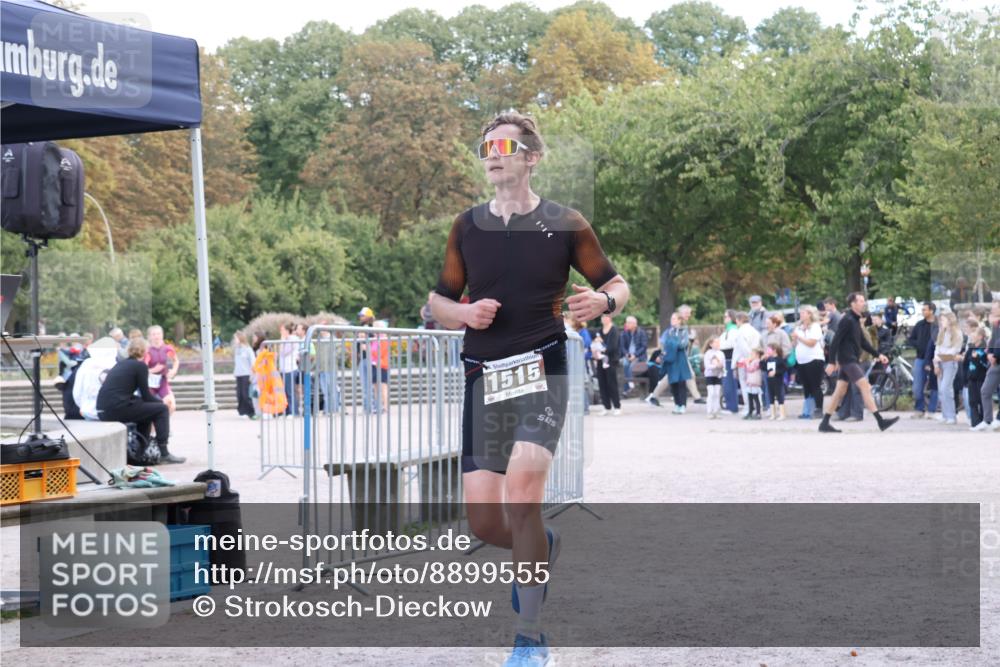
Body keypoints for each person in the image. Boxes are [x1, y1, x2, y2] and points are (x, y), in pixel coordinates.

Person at [428, 110, 628, 665]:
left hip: (542, 370)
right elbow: (437, 301)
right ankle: (542, 543)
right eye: (486, 146)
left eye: (504, 146)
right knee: (487, 522)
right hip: (482, 380)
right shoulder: (466, 226)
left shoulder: (566, 223)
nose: (492, 153)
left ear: (531, 158)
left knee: (522, 494)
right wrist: (463, 313)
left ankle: (529, 635)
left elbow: (614, 281)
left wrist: (604, 301)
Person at [819, 293, 898, 433]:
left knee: (839, 391)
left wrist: (878, 354)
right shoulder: (847, 320)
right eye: (861, 301)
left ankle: (824, 423)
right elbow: (835, 341)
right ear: (853, 304)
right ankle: (881, 421)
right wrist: (831, 362)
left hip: (850, 359)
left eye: (863, 300)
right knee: (864, 386)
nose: (863, 303)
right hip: (848, 360)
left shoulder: (855, 320)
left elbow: (863, 342)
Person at [97, 337, 184, 464]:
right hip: (117, 408)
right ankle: (164, 453)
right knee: (162, 410)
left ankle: (140, 454)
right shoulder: (140, 366)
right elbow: (146, 395)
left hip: (104, 409)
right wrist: (162, 403)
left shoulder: (121, 364)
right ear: (144, 352)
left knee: (146, 413)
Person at [792, 305, 825, 419]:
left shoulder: (815, 327)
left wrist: (799, 336)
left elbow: (811, 343)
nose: (801, 315)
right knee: (806, 386)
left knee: (815, 385)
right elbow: (794, 344)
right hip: (802, 360)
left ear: (810, 314)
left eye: (803, 313)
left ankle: (819, 409)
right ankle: (808, 410)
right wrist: (794, 338)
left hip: (814, 359)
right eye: (800, 313)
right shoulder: (799, 327)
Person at [907, 302, 939, 419]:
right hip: (920, 358)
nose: (923, 312)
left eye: (925, 309)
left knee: (935, 385)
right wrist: (919, 345)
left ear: (931, 311)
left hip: (934, 359)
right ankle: (919, 408)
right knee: (917, 386)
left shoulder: (938, 325)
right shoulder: (919, 325)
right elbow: (911, 339)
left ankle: (932, 410)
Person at [973, 300, 1000, 432]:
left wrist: (996, 355)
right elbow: (993, 341)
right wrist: (989, 353)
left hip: (997, 359)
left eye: (995, 308)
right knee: (985, 390)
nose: (993, 310)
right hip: (995, 363)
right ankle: (987, 420)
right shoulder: (996, 325)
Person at [932, 312, 963, 425]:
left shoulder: (957, 333)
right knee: (941, 389)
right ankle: (945, 415)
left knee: (946, 388)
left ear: (950, 320)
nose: (941, 322)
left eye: (943, 320)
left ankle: (951, 416)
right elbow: (937, 348)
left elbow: (955, 350)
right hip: (940, 363)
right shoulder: (942, 332)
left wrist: (941, 356)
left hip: (950, 363)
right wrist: (936, 362)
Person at [660, 312, 692, 414]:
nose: (672, 321)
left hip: (681, 358)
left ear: (679, 320)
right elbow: (664, 344)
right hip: (671, 359)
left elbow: (684, 344)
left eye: (674, 319)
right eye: (671, 319)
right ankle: (677, 404)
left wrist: (672, 344)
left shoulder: (684, 331)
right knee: (673, 382)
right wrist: (673, 345)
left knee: (681, 382)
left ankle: (683, 405)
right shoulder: (668, 332)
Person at [733, 311, 762, 417]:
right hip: (755, 359)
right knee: (755, 385)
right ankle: (758, 406)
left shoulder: (740, 331)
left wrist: (748, 358)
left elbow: (742, 347)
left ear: (739, 320)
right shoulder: (754, 331)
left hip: (744, 360)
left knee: (745, 385)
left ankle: (748, 406)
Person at [145, 325, 179, 415]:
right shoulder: (147, 351)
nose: (156, 336)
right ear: (149, 337)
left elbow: (175, 360)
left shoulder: (167, 349)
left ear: (162, 335)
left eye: (158, 334)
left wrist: (174, 370)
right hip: (149, 384)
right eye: (153, 334)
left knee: (171, 405)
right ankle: (152, 428)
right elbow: (142, 369)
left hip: (162, 381)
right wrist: (153, 370)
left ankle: (164, 425)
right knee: (151, 409)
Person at [763, 314, 791, 420]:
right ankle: (771, 410)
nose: (767, 326)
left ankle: (781, 410)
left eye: (768, 324)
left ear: (775, 324)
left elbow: (787, 348)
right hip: (768, 363)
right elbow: (761, 347)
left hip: (778, 363)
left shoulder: (781, 333)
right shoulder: (764, 335)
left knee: (779, 388)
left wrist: (778, 358)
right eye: (766, 324)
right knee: (768, 387)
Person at [594, 314, 622, 415]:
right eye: (602, 317)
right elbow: (596, 343)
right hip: (600, 360)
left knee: (612, 383)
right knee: (602, 383)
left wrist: (602, 348)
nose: (603, 319)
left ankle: (617, 406)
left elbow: (613, 347)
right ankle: (606, 406)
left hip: (611, 360)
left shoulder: (614, 330)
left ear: (610, 318)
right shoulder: (599, 330)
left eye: (605, 317)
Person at [964, 325, 990, 429]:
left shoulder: (984, 348)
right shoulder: (971, 347)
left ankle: (984, 421)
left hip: (981, 378)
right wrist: (966, 377)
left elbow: (986, 365)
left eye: (974, 333)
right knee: (972, 401)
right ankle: (975, 423)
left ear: (980, 336)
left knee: (981, 400)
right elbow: (965, 363)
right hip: (971, 378)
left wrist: (977, 359)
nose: (971, 335)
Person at [677, 305, 704, 404]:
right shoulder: (678, 323)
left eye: (689, 312)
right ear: (681, 313)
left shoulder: (685, 324)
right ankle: (697, 397)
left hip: (683, 355)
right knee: (690, 374)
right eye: (687, 313)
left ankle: (654, 395)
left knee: (688, 376)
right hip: (679, 355)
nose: (689, 315)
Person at [619, 315, 648, 397]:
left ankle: (629, 387)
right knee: (625, 364)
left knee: (632, 366)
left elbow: (644, 347)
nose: (626, 324)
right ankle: (629, 385)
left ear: (634, 324)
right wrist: (627, 355)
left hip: (639, 356)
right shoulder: (624, 333)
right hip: (628, 356)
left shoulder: (641, 333)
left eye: (628, 323)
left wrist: (635, 355)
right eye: (626, 322)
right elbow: (622, 347)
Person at [719, 310, 740, 414]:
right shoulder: (726, 331)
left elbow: (731, 345)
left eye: (726, 316)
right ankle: (729, 405)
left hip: (730, 359)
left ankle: (732, 407)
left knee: (730, 384)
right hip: (724, 359)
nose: (724, 318)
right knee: (726, 384)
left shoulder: (734, 331)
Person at [278, 322, 300, 416]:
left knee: (290, 391)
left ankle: (293, 411)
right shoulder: (286, 339)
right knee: (285, 392)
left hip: (290, 369)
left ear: (287, 331)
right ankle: (287, 411)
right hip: (284, 369)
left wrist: (282, 340)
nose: (281, 332)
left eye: (282, 330)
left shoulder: (292, 339)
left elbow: (283, 352)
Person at [233, 332, 256, 419]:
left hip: (246, 374)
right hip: (238, 374)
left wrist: (252, 375)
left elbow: (253, 363)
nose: (235, 340)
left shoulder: (248, 349)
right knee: (239, 394)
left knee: (245, 394)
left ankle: (251, 412)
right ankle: (242, 411)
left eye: (236, 338)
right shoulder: (237, 350)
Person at [702, 336, 725, 419]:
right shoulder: (708, 353)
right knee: (711, 393)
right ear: (711, 344)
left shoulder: (721, 353)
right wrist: (715, 366)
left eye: (718, 342)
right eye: (715, 342)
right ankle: (709, 411)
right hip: (710, 375)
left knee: (717, 393)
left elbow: (724, 365)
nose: (717, 344)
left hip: (718, 375)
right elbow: (707, 366)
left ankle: (716, 411)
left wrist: (722, 369)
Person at [743, 348, 763, 420]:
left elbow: (750, 369)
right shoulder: (752, 361)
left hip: (755, 382)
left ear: (757, 355)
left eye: (752, 354)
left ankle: (758, 413)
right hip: (750, 382)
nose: (750, 356)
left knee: (756, 398)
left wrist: (747, 363)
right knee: (750, 398)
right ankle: (750, 411)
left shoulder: (757, 362)